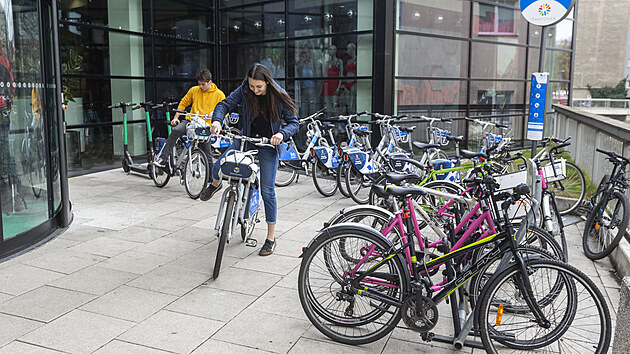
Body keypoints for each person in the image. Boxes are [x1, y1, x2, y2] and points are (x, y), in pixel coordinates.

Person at [200, 63, 298, 256]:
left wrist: (282, 134)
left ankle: (270, 238)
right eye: (252, 86)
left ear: (267, 83)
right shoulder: (245, 89)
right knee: (218, 165)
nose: (255, 90)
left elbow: (294, 122)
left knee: (268, 191)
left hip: (268, 144)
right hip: (247, 138)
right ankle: (215, 184)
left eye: (259, 87)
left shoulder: (278, 94)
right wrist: (217, 120)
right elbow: (224, 104)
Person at [153, 69, 225, 168]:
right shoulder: (194, 90)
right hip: (191, 121)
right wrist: (176, 118)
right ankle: (163, 158)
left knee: (207, 154)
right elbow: (183, 103)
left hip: (205, 126)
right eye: (199, 84)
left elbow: (225, 111)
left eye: (203, 84)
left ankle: (211, 181)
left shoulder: (219, 94)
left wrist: (215, 114)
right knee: (176, 130)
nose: (200, 86)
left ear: (210, 82)